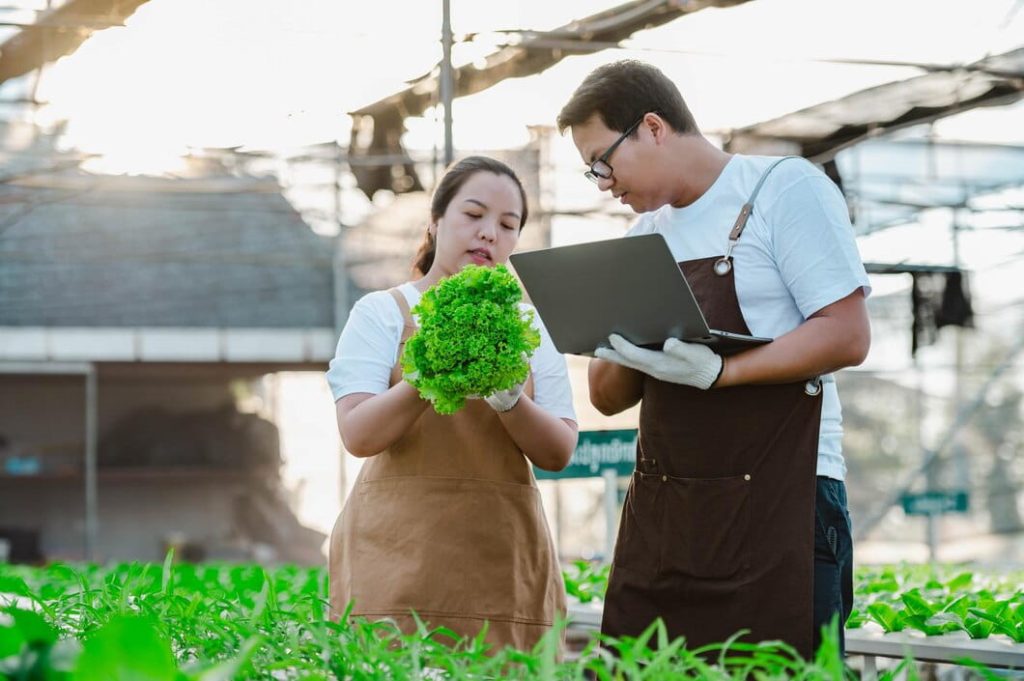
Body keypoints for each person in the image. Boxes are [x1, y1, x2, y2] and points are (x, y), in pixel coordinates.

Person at [556, 60, 871, 658]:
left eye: (603, 161)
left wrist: (722, 372)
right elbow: (607, 395)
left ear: (652, 127)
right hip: (671, 512)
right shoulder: (644, 236)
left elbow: (846, 334)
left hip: (786, 501)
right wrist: (613, 332)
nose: (602, 182)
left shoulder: (782, 188)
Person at [325, 156, 578, 652]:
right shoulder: (384, 313)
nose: (489, 234)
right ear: (436, 222)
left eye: (508, 225)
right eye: (474, 214)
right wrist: (427, 375)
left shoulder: (530, 329)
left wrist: (510, 401)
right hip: (394, 559)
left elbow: (559, 450)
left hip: (503, 559)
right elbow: (358, 434)